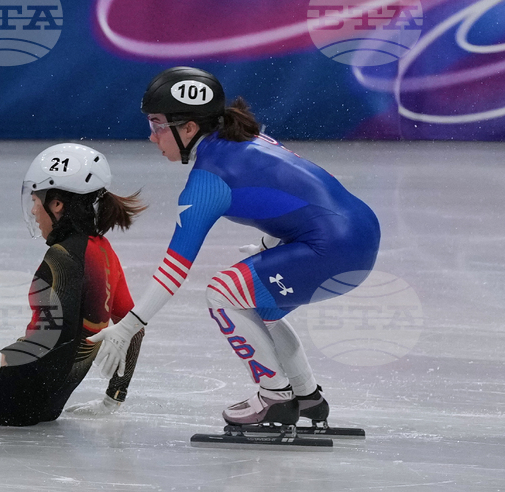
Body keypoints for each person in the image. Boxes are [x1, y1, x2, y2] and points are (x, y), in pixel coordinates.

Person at [90, 67, 381, 428]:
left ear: (189, 128)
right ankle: (306, 395)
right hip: (360, 232)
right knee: (260, 307)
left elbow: (174, 269)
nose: (151, 137)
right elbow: (304, 191)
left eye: (157, 124)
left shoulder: (208, 180)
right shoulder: (250, 138)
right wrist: (272, 243)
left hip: (332, 247)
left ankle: (275, 398)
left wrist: (128, 327)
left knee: (223, 292)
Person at [0, 143, 147, 426]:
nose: (33, 211)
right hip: (48, 404)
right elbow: (134, 329)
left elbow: (54, 338)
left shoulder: (63, 257)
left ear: (57, 204)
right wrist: (114, 396)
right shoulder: (103, 251)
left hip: (11, 399)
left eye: (35, 200)